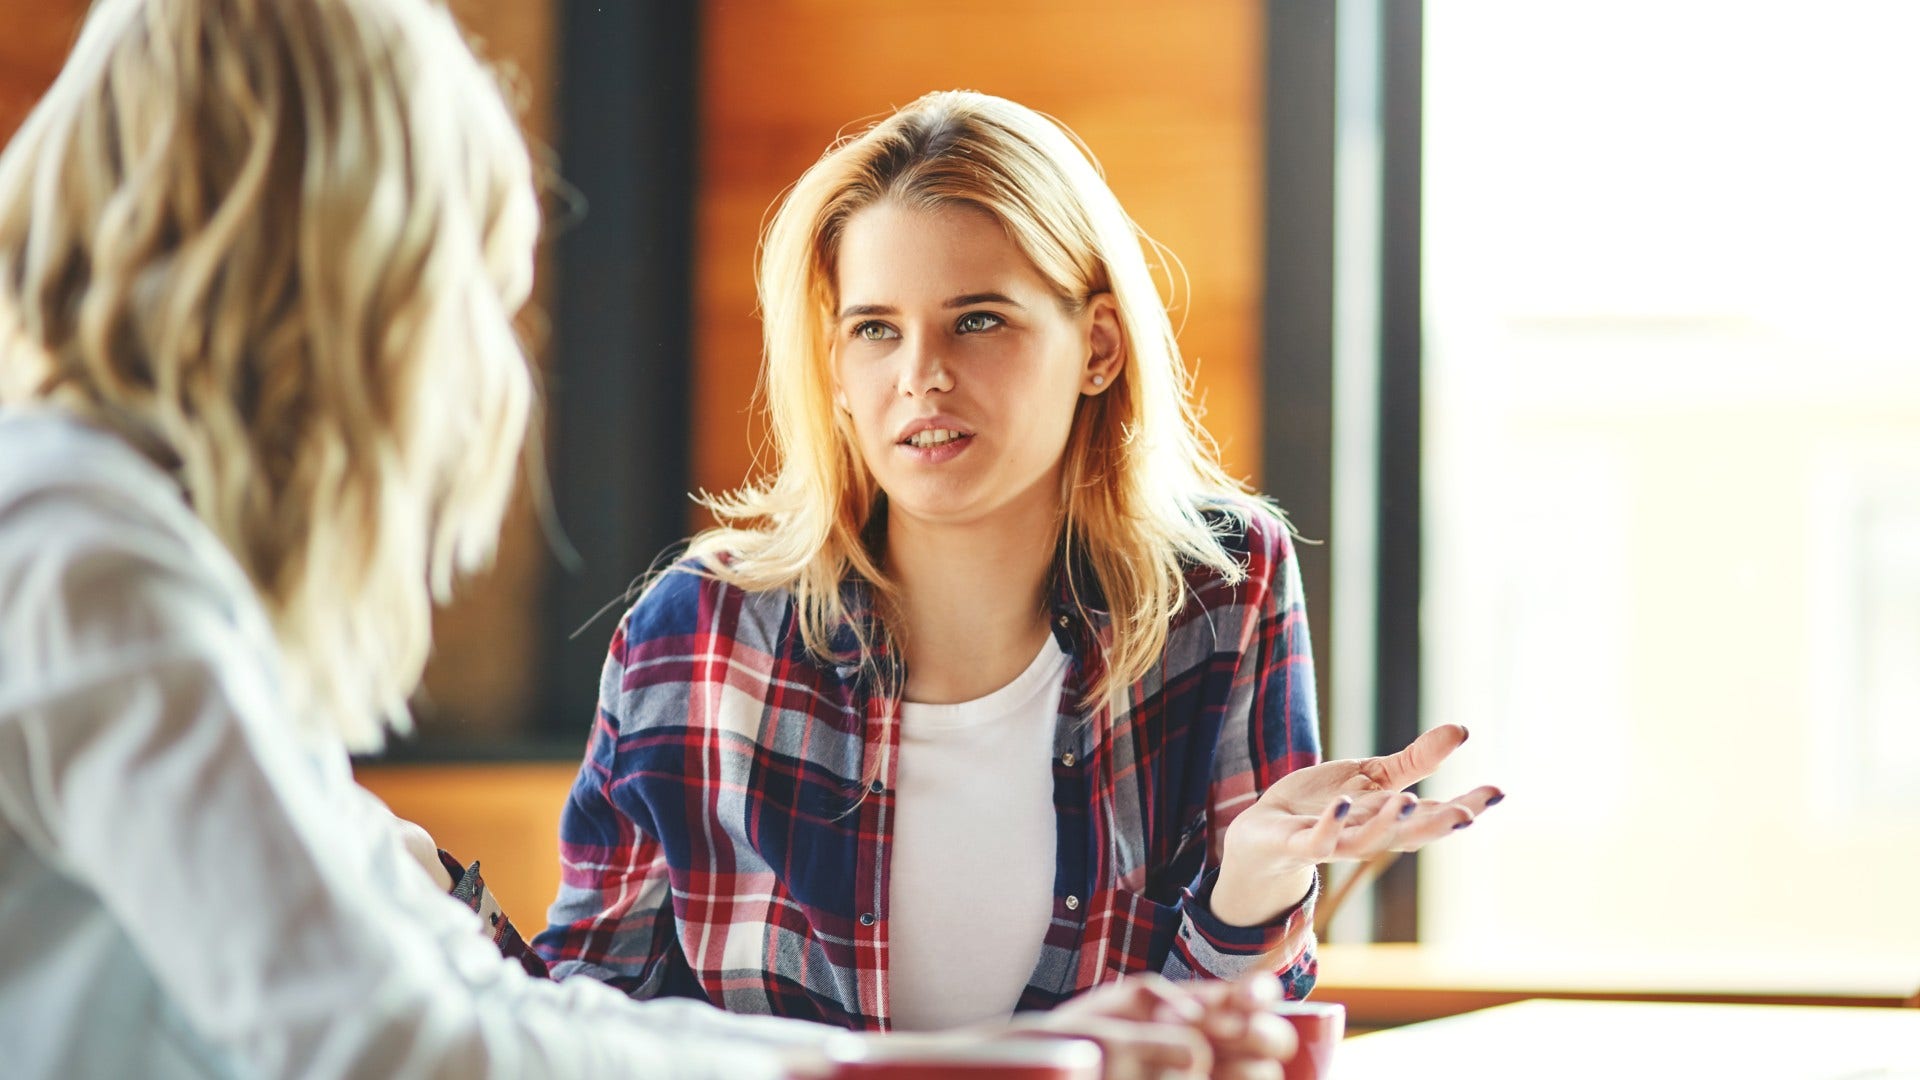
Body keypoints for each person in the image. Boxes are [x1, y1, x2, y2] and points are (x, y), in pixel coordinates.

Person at [0, 5, 1284, 1077]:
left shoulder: (131, 560)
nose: (475, 362)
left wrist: (936, 1066)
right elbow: (395, 1037)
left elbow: (495, 1015)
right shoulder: (79, 556)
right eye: (452, 281)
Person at [534, 90, 1503, 1034]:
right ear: (834, 369)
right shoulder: (696, 632)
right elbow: (582, 1019)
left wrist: (1253, 886)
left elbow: (1232, 1045)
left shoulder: (1221, 584)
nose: (922, 375)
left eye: (979, 319)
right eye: (876, 329)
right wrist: (426, 907)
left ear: (1099, 346)